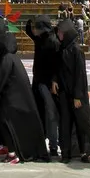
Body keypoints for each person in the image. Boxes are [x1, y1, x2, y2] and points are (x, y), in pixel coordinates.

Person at [0, 17, 48, 164]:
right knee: (9, 124)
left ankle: (16, 153)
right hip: (15, 98)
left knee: (7, 123)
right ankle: (14, 152)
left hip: (13, 99)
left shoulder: (7, 59)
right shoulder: (12, 57)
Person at [55, 19, 90, 164]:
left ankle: (84, 151)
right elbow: (57, 69)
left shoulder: (76, 50)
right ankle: (65, 152)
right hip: (64, 93)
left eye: (60, 32)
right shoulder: (61, 49)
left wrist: (77, 96)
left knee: (80, 124)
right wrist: (54, 80)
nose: (58, 34)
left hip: (77, 95)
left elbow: (80, 75)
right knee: (65, 123)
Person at [25, 15, 61, 158]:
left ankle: (53, 145)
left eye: (36, 27)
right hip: (39, 82)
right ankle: (41, 142)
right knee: (40, 112)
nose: (34, 30)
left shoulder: (53, 41)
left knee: (51, 114)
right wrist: (31, 19)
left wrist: (54, 80)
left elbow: (57, 64)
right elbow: (28, 31)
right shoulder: (39, 39)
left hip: (47, 83)